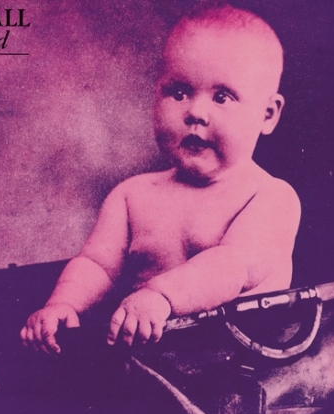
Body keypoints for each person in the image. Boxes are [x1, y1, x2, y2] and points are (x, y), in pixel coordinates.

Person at [20, 4, 300, 354]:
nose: (196, 112)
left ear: (268, 114)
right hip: (152, 365)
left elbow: (232, 266)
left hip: (242, 366)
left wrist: (161, 296)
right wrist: (63, 305)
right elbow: (96, 266)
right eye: (179, 92)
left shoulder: (270, 197)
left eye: (222, 97)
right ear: (156, 96)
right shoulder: (132, 196)